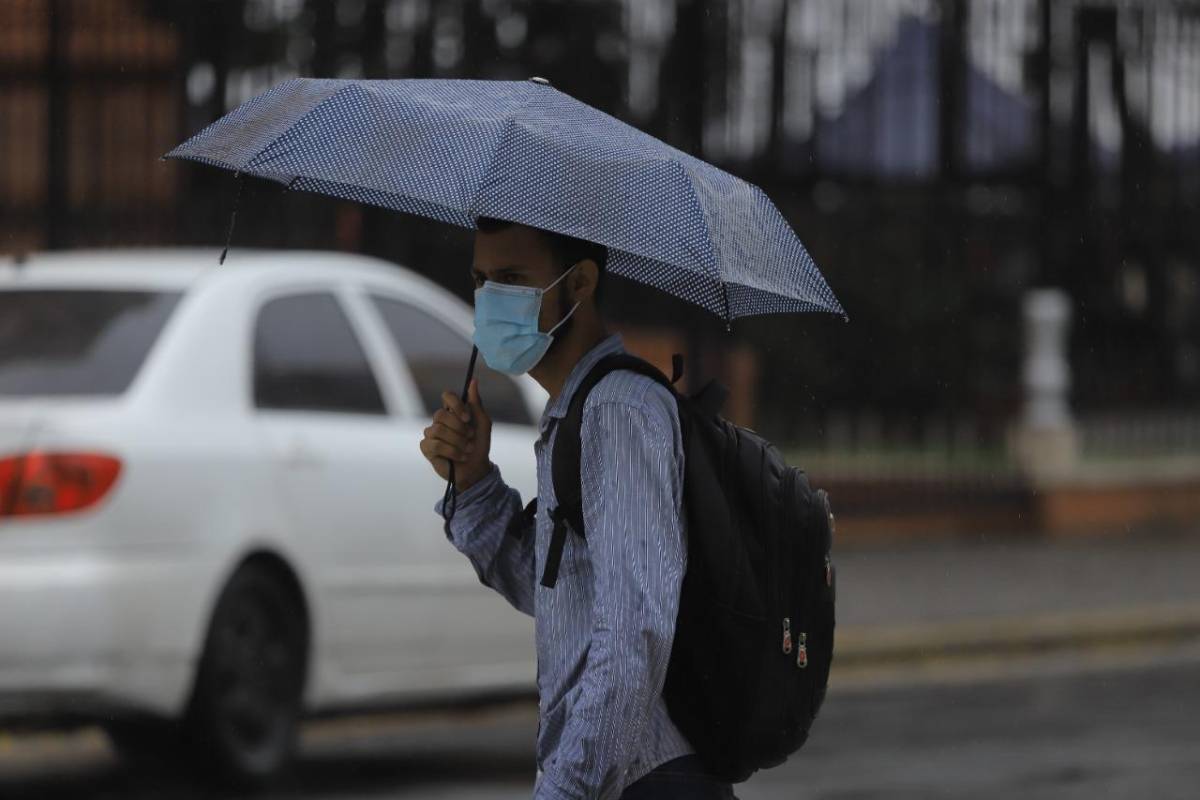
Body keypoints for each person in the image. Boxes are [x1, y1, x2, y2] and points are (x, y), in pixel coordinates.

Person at [420, 218, 736, 799]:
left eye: (512, 279)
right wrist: (474, 482)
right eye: (480, 279)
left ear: (580, 283)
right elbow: (557, 591)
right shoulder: (578, 410)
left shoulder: (618, 412)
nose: (491, 299)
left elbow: (633, 628)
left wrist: (569, 786)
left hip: (647, 779)